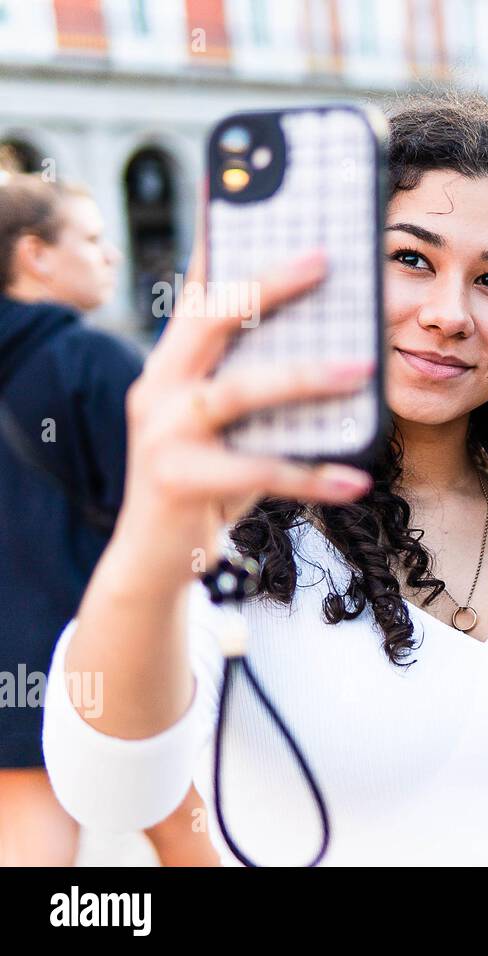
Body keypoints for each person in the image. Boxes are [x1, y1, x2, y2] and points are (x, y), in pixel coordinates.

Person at [41, 97, 488, 866]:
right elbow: (110, 788)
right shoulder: (230, 533)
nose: (449, 314)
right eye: (409, 259)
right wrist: (154, 536)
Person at [0, 173, 215, 866]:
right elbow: (173, 512)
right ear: (35, 254)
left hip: (11, 671)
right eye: (91, 240)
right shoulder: (93, 360)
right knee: (192, 833)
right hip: (109, 653)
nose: (112, 257)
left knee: (32, 851)